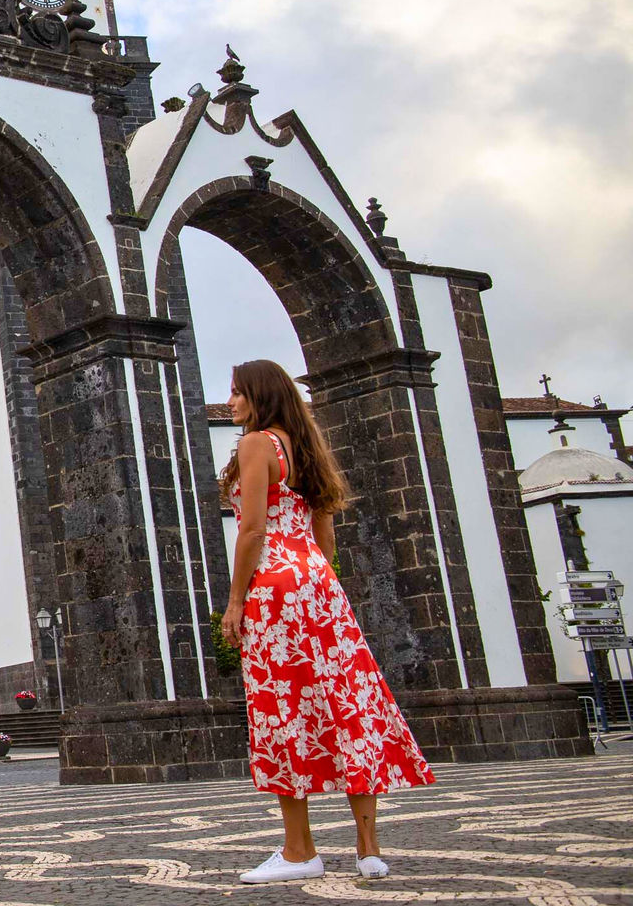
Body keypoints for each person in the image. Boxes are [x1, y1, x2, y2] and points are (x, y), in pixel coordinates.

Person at [220, 359, 433, 884]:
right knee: (346, 703)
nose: (231, 402)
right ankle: (368, 849)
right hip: (320, 585)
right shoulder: (309, 450)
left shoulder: (255, 446)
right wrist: (314, 579)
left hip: (274, 587)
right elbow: (326, 540)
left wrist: (235, 601)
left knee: (282, 711)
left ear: (258, 396)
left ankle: (300, 852)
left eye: (237, 393)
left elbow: (251, 531)